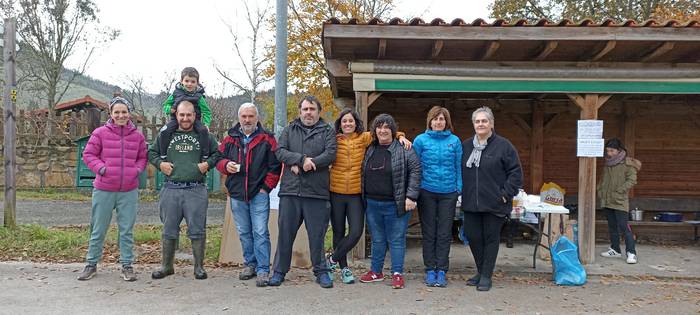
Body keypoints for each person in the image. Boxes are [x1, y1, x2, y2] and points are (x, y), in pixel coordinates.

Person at [328, 108, 411, 284]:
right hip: (336, 192)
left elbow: (385, 132)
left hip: (356, 194)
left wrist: (401, 136)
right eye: (344, 121)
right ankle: (343, 269)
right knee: (338, 232)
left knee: (356, 231)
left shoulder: (364, 137)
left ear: (356, 123)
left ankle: (332, 259)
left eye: (351, 121)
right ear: (340, 124)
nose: (348, 124)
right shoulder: (333, 140)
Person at [148, 100, 221, 280]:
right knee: (169, 229)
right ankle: (166, 266)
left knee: (197, 229)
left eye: (189, 115)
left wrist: (207, 164)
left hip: (196, 189)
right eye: (182, 115)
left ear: (195, 116)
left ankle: (199, 267)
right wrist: (160, 164)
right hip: (170, 188)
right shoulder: (166, 134)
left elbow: (218, 153)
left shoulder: (203, 134)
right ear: (176, 115)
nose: (185, 118)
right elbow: (151, 153)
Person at [77, 97, 148, 281]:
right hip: (104, 189)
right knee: (98, 228)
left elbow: (142, 157)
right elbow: (89, 154)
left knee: (126, 230)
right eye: (117, 112)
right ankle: (91, 264)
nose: (121, 115)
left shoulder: (138, 136)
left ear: (129, 113)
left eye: (124, 112)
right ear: (111, 114)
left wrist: (137, 170)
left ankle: (127, 265)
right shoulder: (100, 133)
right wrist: (102, 169)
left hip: (129, 190)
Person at [270, 96, 337, 288]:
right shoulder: (289, 130)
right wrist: (300, 159)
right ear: (300, 112)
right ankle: (279, 272)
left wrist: (310, 163)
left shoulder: (327, 131)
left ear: (318, 112)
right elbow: (280, 151)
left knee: (317, 236)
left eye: (312, 109)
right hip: (291, 192)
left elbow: (331, 154)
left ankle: (321, 272)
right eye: (305, 109)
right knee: (285, 235)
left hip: (316, 193)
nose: (308, 112)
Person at [216, 103, 281, 287]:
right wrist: (225, 165)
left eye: (250, 116)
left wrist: (265, 188)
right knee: (244, 232)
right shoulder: (230, 139)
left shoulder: (267, 139)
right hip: (237, 194)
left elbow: (275, 167)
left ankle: (263, 270)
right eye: (244, 116)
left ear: (257, 118)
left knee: (260, 232)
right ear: (239, 118)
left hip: (258, 193)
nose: (247, 120)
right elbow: (218, 159)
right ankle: (250, 265)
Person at [461, 106, 522, 292]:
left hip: (495, 203)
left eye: (484, 121)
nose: (481, 124)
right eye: (477, 121)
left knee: (490, 239)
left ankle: (486, 275)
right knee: (473, 237)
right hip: (471, 202)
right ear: (473, 124)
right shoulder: (465, 146)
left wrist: (504, 194)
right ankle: (481, 271)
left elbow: (515, 173)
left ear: (491, 124)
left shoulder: (504, 146)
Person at [359, 114, 421, 289]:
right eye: (379, 127)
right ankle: (376, 272)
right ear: (375, 130)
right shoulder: (370, 148)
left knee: (396, 239)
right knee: (377, 239)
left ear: (393, 130)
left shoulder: (404, 148)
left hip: (396, 204)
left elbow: (416, 171)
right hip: (372, 203)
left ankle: (397, 273)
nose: (383, 130)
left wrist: (411, 196)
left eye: (387, 127)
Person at [412, 106, 462, 287]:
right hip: (426, 192)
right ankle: (429, 270)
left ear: (446, 122)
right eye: (435, 119)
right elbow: (415, 167)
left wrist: (459, 188)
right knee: (429, 232)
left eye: (441, 119)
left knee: (444, 233)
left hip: (448, 193)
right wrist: (415, 190)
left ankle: (441, 270)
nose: (438, 122)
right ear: (430, 121)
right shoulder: (420, 141)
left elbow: (458, 166)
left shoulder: (454, 141)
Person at [598, 138, 641, 264]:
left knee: (624, 227)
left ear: (619, 150)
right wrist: (599, 190)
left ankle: (631, 252)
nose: (609, 153)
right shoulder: (608, 164)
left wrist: (620, 190)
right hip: (607, 200)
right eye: (607, 151)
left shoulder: (628, 164)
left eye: (611, 151)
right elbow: (603, 180)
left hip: (619, 201)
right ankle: (615, 249)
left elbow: (632, 180)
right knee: (612, 227)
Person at [159, 67, 211, 161]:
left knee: (204, 131)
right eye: (187, 81)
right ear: (181, 81)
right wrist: (169, 109)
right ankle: (163, 155)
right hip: (177, 119)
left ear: (197, 82)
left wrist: (206, 124)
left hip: (194, 120)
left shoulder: (199, 97)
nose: (189, 84)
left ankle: (205, 156)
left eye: (193, 81)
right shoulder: (175, 93)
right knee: (164, 131)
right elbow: (166, 105)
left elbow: (206, 111)